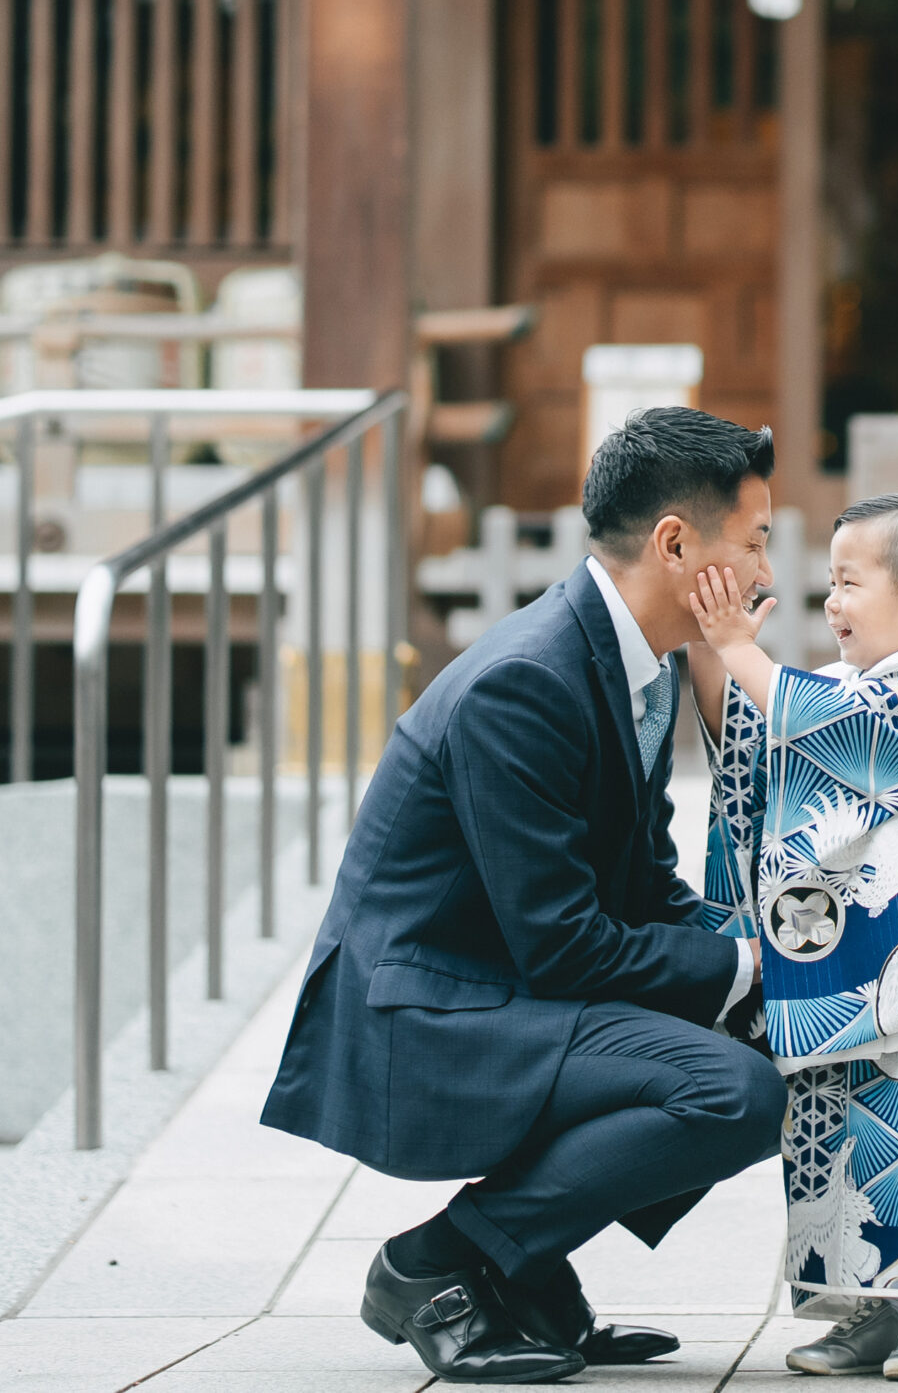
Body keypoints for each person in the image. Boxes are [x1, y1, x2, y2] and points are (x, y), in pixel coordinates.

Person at [262, 408, 787, 1386]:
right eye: (755, 541)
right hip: (426, 1012)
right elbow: (567, 947)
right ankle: (437, 1264)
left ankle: (522, 1265)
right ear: (676, 544)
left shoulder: (643, 669)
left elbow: (644, 889)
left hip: (510, 986)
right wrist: (748, 962)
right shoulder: (528, 681)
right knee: (732, 1089)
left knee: (776, 1031)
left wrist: (767, 969)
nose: (766, 573)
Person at [688, 492, 898, 1382]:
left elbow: (834, 729)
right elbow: (758, 734)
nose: (830, 601)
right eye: (829, 581)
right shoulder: (841, 685)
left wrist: (742, 653)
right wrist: (718, 654)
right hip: (826, 974)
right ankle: (863, 1311)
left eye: (849, 582)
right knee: (828, 1136)